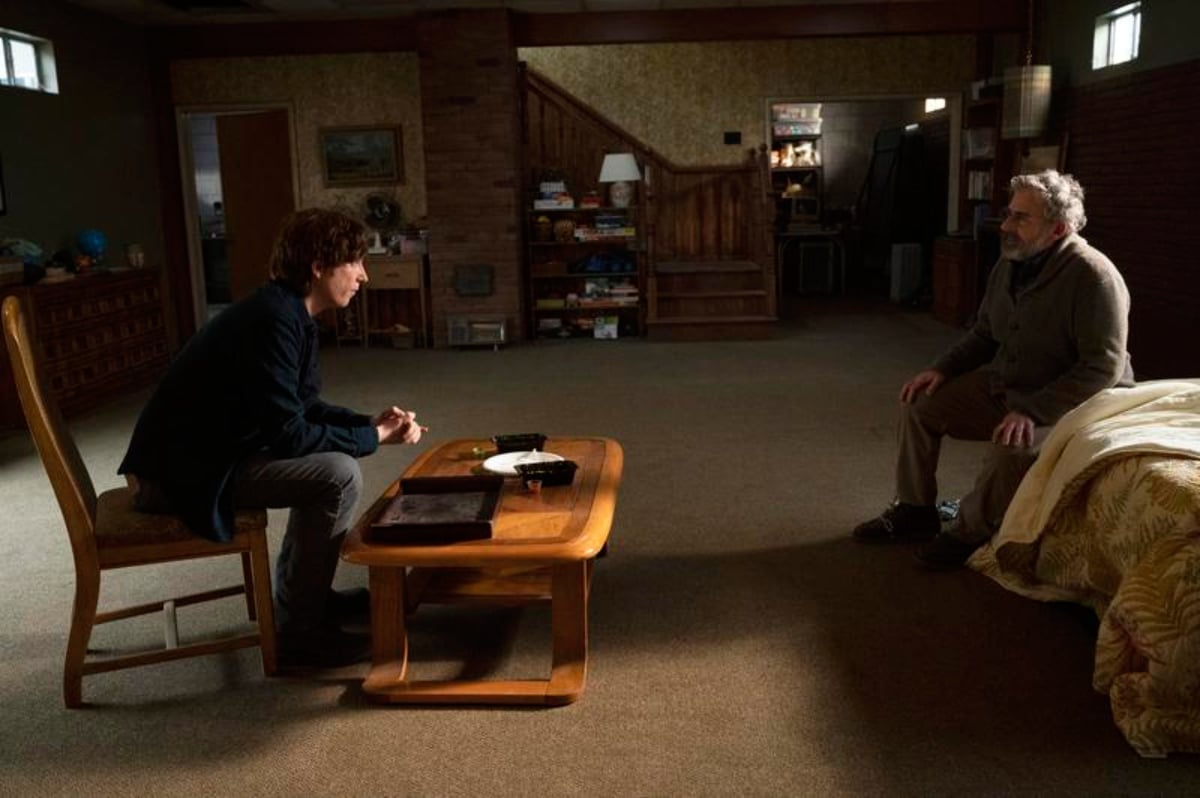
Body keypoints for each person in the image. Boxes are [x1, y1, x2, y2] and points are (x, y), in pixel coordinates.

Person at [119, 208, 425, 666]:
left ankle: (307, 599)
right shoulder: (273, 320)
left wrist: (367, 423)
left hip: (210, 456)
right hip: (178, 475)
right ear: (319, 267)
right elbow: (289, 435)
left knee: (335, 465)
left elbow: (302, 405)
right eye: (355, 262)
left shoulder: (288, 312)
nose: (364, 275)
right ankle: (302, 632)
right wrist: (375, 438)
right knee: (336, 474)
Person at [852, 170, 1134, 570]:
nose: (1006, 226)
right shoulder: (1010, 263)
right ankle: (916, 511)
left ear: (1058, 229)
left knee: (1011, 448)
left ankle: (968, 532)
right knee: (921, 406)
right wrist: (942, 369)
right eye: (1009, 213)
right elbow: (985, 333)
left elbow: (1101, 367)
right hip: (1010, 381)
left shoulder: (1094, 276)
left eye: (1022, 218)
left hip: (1073, 401)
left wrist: (1033, 411)